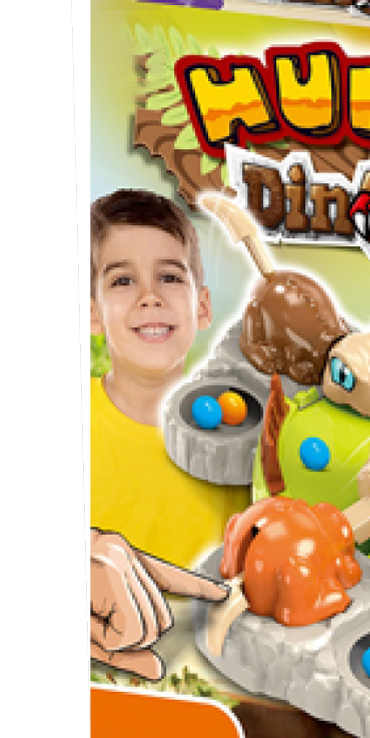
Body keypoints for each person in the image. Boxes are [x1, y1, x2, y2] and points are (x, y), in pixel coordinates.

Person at [89, 188, 248, 677]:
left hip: (211, 677)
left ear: (203, 307)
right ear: (92, 312)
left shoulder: (242, 432)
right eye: (122, 280)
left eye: (170, 277)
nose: (150, 296)